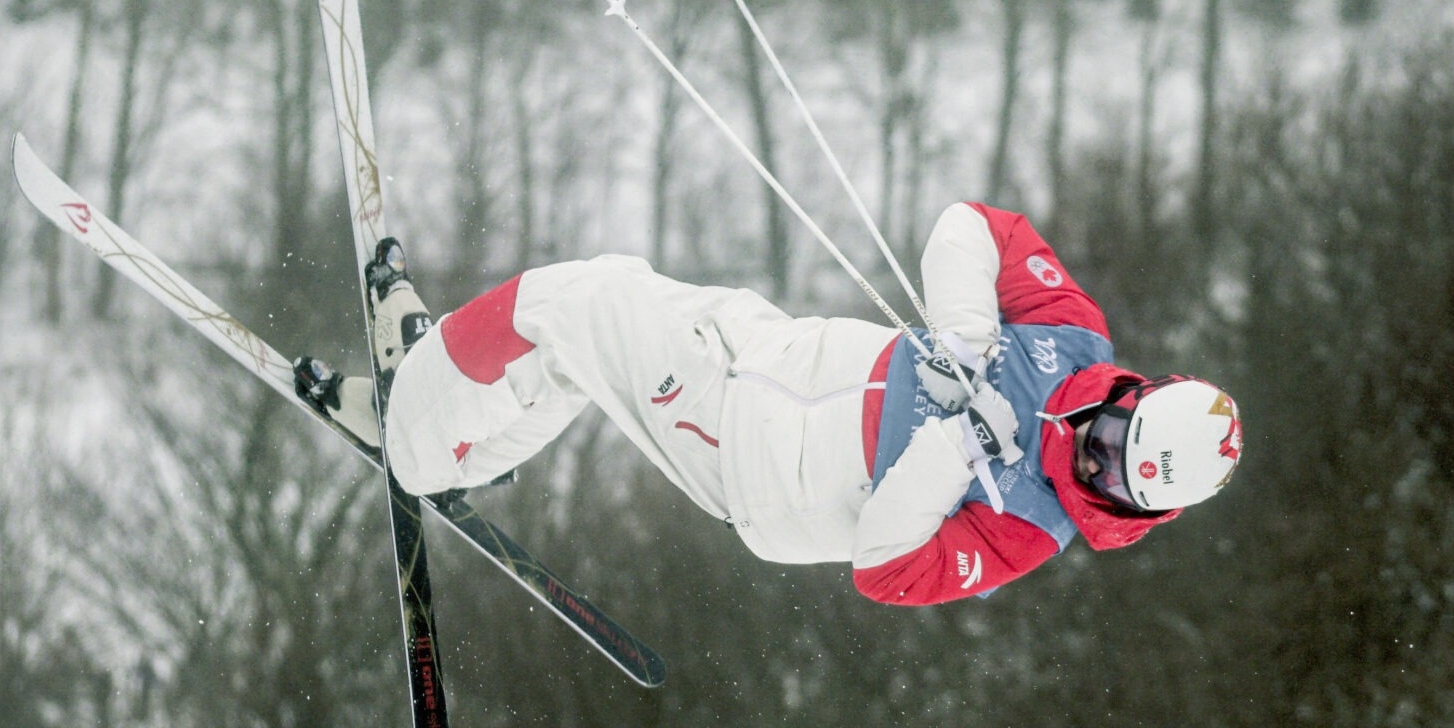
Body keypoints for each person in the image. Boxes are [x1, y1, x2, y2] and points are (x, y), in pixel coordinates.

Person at [301, 204, 1241, 606]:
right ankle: (463, 431)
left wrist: (954, 448)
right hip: (769, 348)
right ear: (1136, 394)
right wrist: (967, 340)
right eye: (1111, 439)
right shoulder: (1073, 337)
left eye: (1117, 485)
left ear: (1143, 510)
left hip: (761, 457)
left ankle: (411, 440)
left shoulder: (1031, 530)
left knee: (567, 302)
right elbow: (972, 228)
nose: (1091, 465)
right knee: (593, 329)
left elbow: (885, 569)